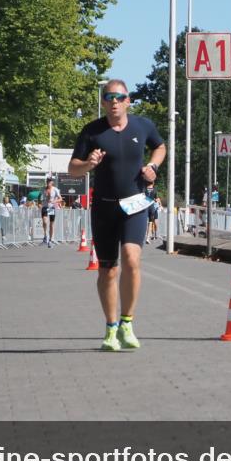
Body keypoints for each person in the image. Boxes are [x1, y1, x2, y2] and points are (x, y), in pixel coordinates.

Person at [68, 79, 165, 352]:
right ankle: (111, 329)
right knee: (108, 270)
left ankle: (127, 322)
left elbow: (160, 146)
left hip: (134, 204)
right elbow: (73, 168)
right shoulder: (92, 132)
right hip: (104, 207)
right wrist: (89, 164)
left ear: (128, 101)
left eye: (119, 97)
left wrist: (153, 166)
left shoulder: (143, 126)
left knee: (132, 260)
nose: (114, 102)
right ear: (103, 101)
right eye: (109, 97)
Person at [40, 177, 61, 247]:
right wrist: (39, 203)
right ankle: (45, 236)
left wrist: (54, 201)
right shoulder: (43, 189)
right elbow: (39, 196)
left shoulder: (55, 189)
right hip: (45, 207)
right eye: (47, 181)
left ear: (52, 182)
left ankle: (51, 239)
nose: (48, 183)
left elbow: (60, 198)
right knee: (45, 222)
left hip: (51, 207)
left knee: (51, 224)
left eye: (49, 181)